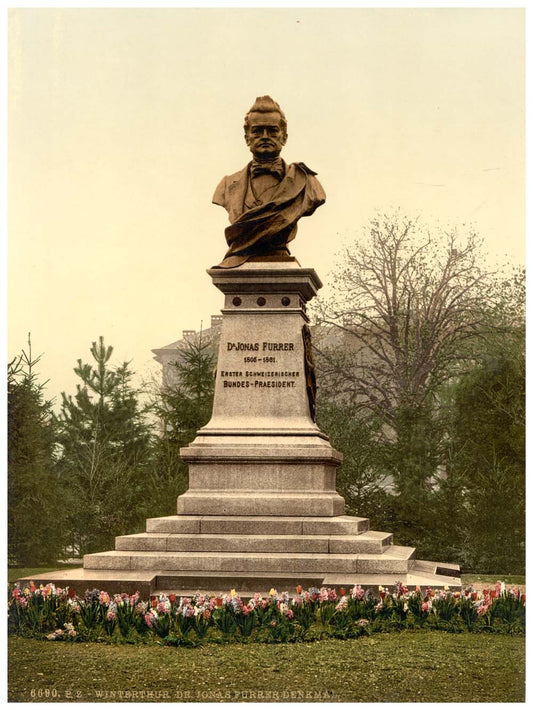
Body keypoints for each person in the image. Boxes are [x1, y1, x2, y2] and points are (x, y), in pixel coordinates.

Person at [212, 96, 326, 268]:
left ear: (284, 137)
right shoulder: (227, 185)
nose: (265, 136)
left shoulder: (306, 182)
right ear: (247, 137)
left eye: (272, 131)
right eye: (257, 131)